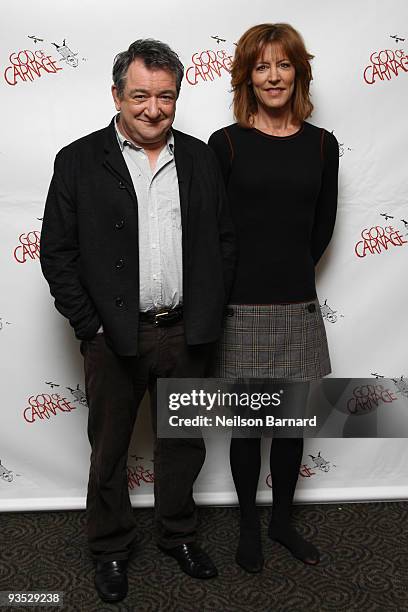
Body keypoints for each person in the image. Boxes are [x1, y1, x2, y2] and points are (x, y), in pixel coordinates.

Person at [40, 39, 236, 602]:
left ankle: (178, 535)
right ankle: (109, 548)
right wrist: (90, 325)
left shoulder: (200, 158)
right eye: (141, 95)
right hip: (113, 337)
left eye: (166, 96)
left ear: (178, 97)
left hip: (187, 332)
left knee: (184, 442)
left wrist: (208, 313)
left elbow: (223, 242)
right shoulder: (77, 160)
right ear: (117, 95)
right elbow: (57, 252)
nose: (154, 108)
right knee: (110, 449)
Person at [208, 23, 339, 572]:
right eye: (261, 66)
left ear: (297, 72)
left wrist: (289, 274)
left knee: (291, 426)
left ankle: (282, 522)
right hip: (240, 309)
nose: (273, 76)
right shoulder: (227, 143)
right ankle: (247, 527)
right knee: (247, 428)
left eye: (282, 64)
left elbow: (322, 226)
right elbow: (214, 230)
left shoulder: (322, 144)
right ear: (248, 77)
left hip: (297, 304)